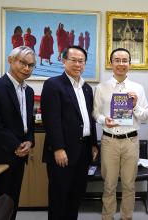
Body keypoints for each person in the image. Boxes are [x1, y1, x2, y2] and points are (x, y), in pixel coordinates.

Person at [41, 45, 98, 220]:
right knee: (59, 197)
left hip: (83, 152)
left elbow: (90, 118)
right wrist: (58, 148)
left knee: (76, 196)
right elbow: (51, 120)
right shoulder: (53, 84)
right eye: (73, 60)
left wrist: (94, 144)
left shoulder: (87, 88)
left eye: (81, 61)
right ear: (64, 61)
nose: (77, 64)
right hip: (63, 152)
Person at [0, 46, 36, 220]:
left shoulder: (29, 91)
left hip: (19, 155)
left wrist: (29, 141)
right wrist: (16, 145)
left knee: (11, 202)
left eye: (31, 65)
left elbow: (28, 122)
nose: (27, 68)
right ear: (10, 60)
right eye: (23, 63)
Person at [93, 48, 148, 220]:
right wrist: (105, 120)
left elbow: (145, 117)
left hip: (130, 141)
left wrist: (135, 105)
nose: (121, 64)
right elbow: (95, 114)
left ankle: (127, 217)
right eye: (117, 60)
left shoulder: (138, 88)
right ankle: (107, 217)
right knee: (109, 185)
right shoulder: (101, 88)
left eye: (125, 60)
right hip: (109, 141)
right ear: (111, 63)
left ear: (129, 64)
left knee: (129, 185)